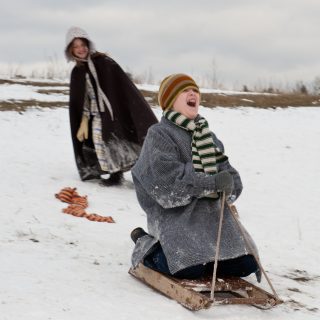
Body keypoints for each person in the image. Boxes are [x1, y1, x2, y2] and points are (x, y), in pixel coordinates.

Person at [130, 74, 260, 280]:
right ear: (170, 100)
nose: (193, 93)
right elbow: (167, 184)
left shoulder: (207, 137)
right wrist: (211, 183)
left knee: (246, 265)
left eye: (195, 90)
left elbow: (229, 173)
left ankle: (205, 258)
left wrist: (230, 185)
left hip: (212, 220)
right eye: (184, 90)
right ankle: (147, 246)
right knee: (188, 268)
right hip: (176, 219)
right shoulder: (159, 134)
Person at [65, 26, 158, 185]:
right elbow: (81, 100)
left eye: (82, 45)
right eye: (76, 47)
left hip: (112, 112)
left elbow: (121, 86)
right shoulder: (77, 72)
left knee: (122, 141)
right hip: (94, 115)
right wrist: (83, 120)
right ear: (71, 50)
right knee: (101, 143)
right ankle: (115, 173)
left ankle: (142, 173)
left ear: (88, 44)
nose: (80, 49)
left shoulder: (103, 62)